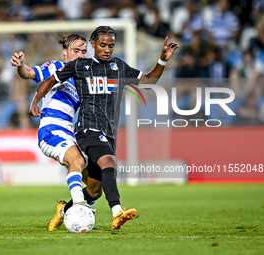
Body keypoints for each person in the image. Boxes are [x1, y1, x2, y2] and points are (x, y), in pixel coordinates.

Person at [29, 26, 179, 230]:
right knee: (109, 161)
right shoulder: (80, 66)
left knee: (94, 190)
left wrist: (162, 60)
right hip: (87, 129)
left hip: (109, 132)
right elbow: (50, 80)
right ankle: (117, 211)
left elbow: (148, 80)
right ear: (93, 45)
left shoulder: (119, 67)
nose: (107, 49)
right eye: (102, 45)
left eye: (111, 46)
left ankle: (64, 212)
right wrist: (36, 100)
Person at [10, 33, 100, 231]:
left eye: (84, 52)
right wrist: (20, 66)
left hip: (70, 133)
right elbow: (28, 74)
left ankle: (65, 211)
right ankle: (79, 209)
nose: (81, 55)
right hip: (51, 129)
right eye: (76, 51)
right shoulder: (56, 67)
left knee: (95, 186)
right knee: (77, 161)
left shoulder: (84, 81)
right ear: (65, 52)